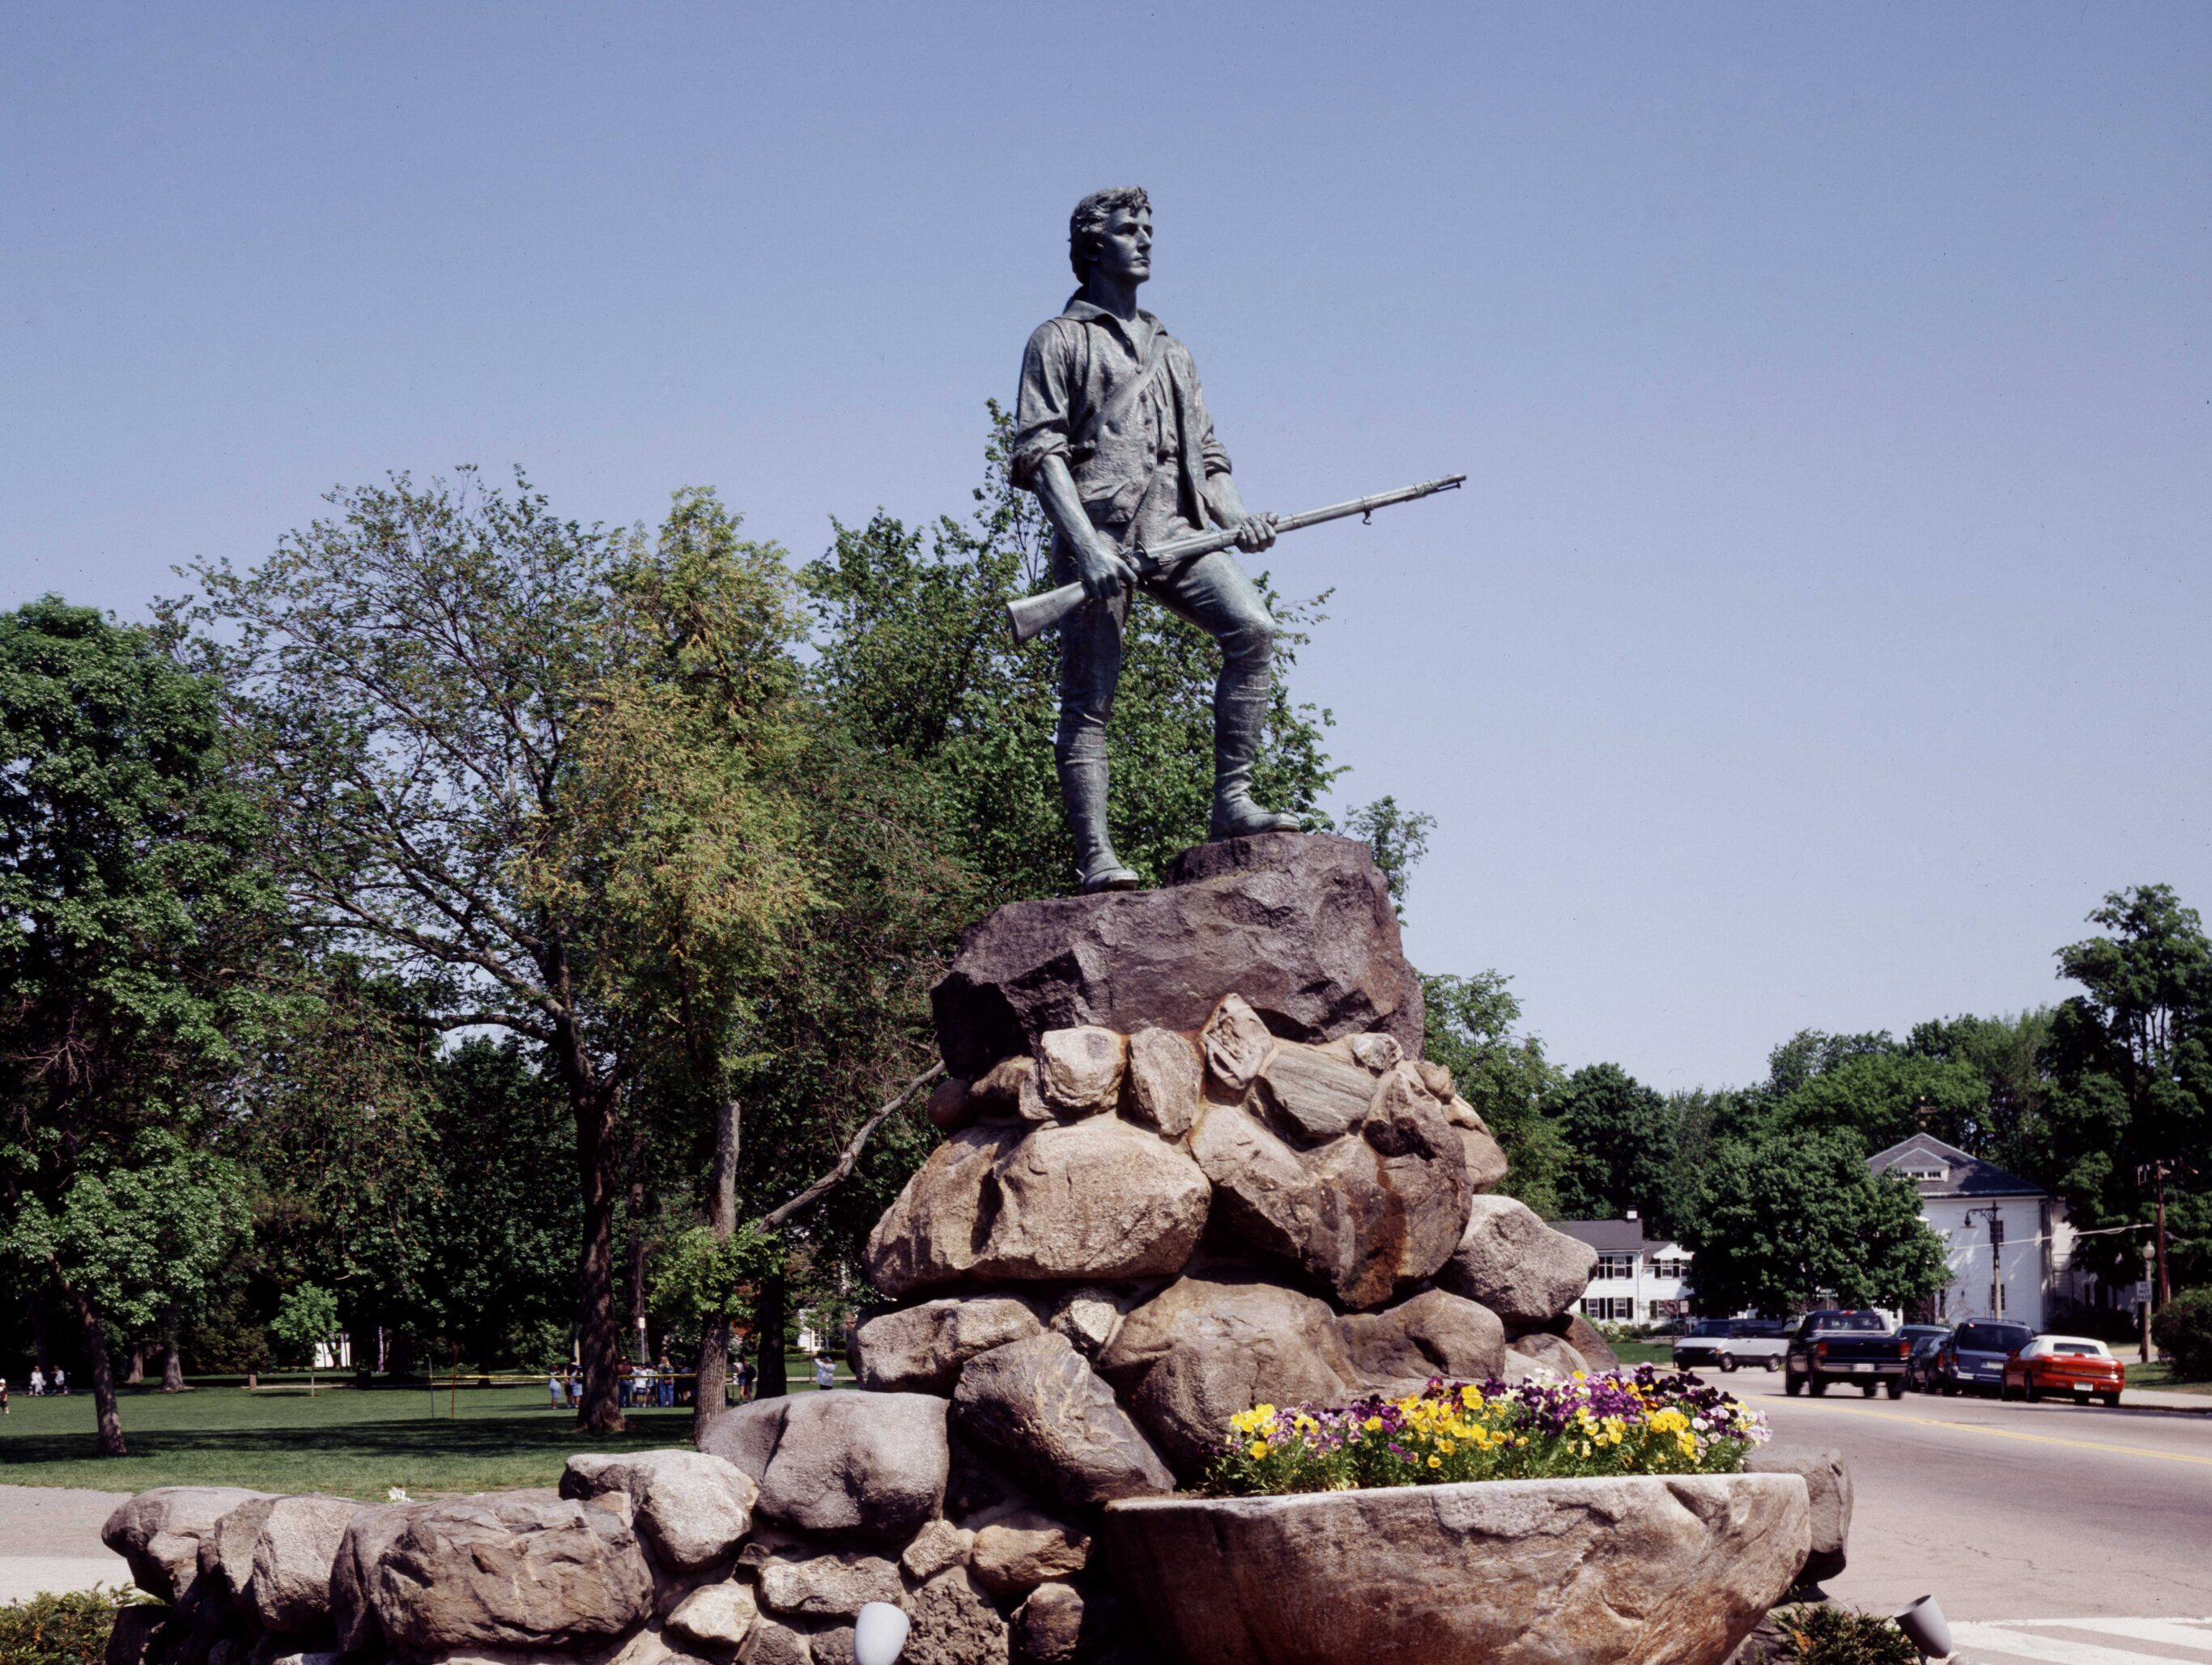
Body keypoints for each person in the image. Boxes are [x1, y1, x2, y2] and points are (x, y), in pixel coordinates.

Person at [1012, 185, 1298, 893]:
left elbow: (1208, 452)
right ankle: (1096, 855)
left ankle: (1231, 801)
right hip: (1102, 537)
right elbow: (1038, 454)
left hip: (1179, 532)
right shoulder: (1059, 339)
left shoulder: (1174, 350)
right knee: (1089, 700)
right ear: (1091, 246)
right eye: (1128, 230)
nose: (1145, 240)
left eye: (1148, 228)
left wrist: (1237, 518)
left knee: (1254, 629)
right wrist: (1085, 546)